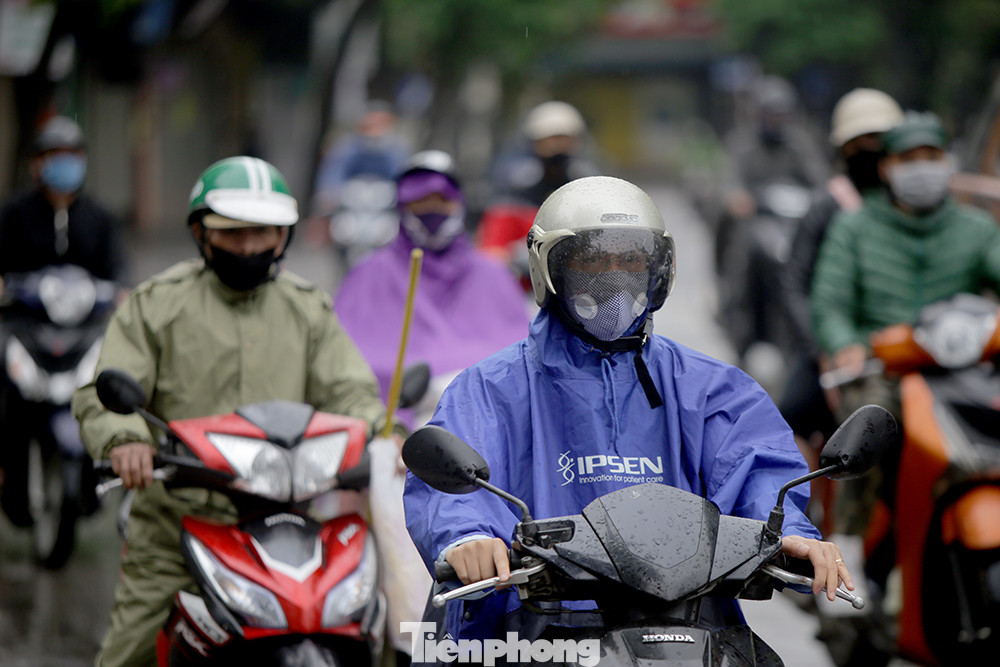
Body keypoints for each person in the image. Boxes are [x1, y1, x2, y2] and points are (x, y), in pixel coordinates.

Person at [404, 176, 852, 642]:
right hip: (532, 630)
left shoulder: (713, 388)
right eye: (592, 259)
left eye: (630, 259)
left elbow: (757, 466)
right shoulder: (490, 388)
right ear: (548, 268)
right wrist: (467, 537)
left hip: (684, 628)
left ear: (657, 268)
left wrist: (792, 532)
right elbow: (455, 483)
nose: (614, 276)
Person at [71, 156, 394, 667]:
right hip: (179, 524)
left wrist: (383, 436)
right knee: (129, 652)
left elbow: (351, 394)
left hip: (287, 522)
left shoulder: (307, 308)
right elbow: (102, 392)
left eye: (261, 233)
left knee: (372, 632)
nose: (248, 247)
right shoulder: (157, 304)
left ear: (282, 237)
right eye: (232, 233)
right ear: (202, 235)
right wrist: (124, 440)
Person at [810, 111, 1000, 581]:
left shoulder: (976, 228)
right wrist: (845, 344)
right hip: (883, 368)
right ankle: (848, 550)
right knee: (866, 423)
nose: (922, 167)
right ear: (886, 167)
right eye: (908, 158)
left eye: (931, 156)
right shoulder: (855, 228)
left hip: (963, 365)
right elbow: (829, 303)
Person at [777, 88, 904, 517]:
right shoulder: (828, 208)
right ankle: (805, 512)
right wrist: (823, 350)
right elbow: (794, 283)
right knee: (788, 416)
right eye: (858, 143)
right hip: (831, 350)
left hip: (897, 345)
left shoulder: (905, 205)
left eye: (878, 141)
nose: (868, 151)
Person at [334, 150, 530, 421]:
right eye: (421, 202)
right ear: (403, 207)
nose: (433, 211)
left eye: (443, 201)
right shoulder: (371, 271)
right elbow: (343, 359)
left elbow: (520, 353)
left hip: (483, 422)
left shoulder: (492, 273)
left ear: (459, 204)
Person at [0, 114, 128, 525]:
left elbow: (120, 274)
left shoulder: (101, 217)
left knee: (111, 387)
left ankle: (101, 474)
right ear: (37, 163)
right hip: (24, 327)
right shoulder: (14, 214)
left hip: (84, 330)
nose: (64, 164)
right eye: (55, 156)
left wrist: (123, 294)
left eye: (72, 155)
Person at [716, 75, 830, 362]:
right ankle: (736, 315)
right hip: (756, 223)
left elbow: (819, 180)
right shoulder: (742, 144)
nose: (775, 122)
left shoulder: (799, 143)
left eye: (781, 116)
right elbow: (730, 182)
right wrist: (737, 198)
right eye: (770, 116)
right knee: (743, 252)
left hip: (791, 224)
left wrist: (820, 197)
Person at [477, 101, 599, 280]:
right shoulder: (511, 194)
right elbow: (491, 255)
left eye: (564, 139)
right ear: (534, 143)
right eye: (551, 140)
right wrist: (522, 256)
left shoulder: (592, 192)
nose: (558, 147)